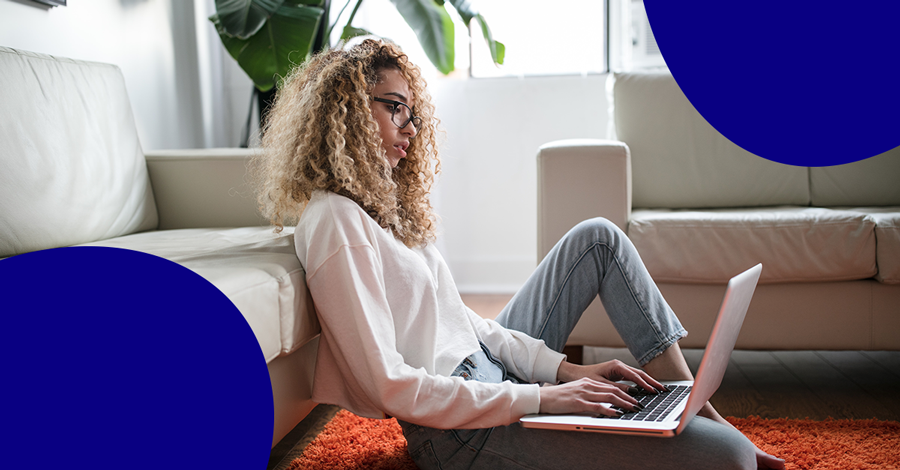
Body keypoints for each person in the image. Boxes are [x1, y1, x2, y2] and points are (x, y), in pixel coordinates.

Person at [254, 39, 785, 470]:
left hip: (491, 378)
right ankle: (713, 431)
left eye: (412, 113)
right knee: (731, 461)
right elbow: (388, 384)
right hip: (456, 433)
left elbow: (465, 324)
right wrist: (540, 399)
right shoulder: (334, 221)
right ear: (345, 113)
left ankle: (696, 409)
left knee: (598, 237)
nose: (411, 130)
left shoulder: (384, 210)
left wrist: (559, 373)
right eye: (395, 109)